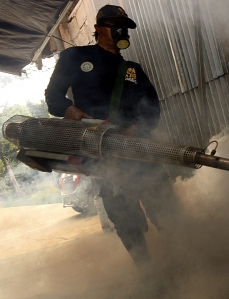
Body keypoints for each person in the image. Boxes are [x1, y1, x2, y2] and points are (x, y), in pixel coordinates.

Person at [44, 4, 180, 277]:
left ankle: (184, 261)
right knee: (124, 215)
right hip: (102, 153)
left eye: (124, 27)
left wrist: (137, 130)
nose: (121, 31)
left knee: (166, 209)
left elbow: (153, 108)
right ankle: (147, 274)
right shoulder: (75, 57)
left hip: (138, 151)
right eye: (114, 24)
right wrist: (69, 110)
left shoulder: (132, 69)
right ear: (98, 28)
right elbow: (54, 96)